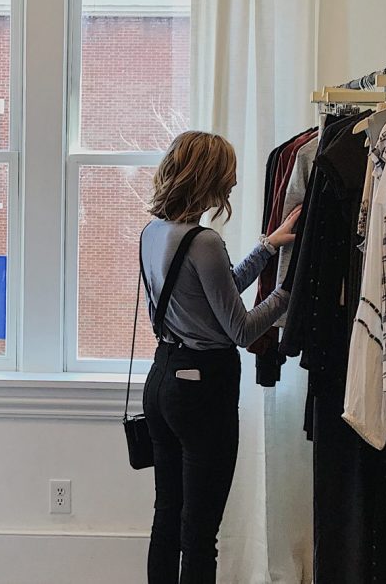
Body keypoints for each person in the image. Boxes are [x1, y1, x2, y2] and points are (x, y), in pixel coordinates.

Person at [140, 130, 297, 584]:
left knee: (167, 515)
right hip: (203, 391)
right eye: (227, 175)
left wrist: (268, 247)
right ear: (207, 177)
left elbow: (217, 291)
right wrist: (293, 289)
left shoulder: (154, 232)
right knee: (200, 531)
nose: (232, 183)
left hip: (163, 380)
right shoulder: (204, 241)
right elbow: (242, 329)